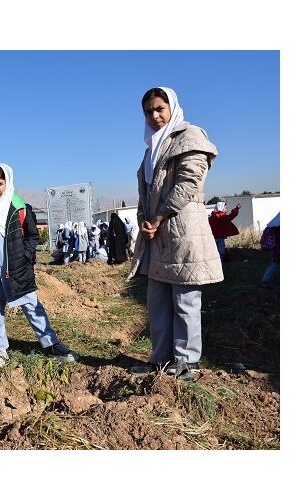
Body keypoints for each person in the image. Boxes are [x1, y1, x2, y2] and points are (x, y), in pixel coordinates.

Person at [127, 87, 222, 381]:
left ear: (172, 108)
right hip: (157, 235)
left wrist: (158, 215)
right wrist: (144, 218)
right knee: (157, 301)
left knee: (185, 299)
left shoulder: (189, 137)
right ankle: (160, 358)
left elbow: (189, 182)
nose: (154, 116)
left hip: (183, 232)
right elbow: (146, 193)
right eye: (148, 112)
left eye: (159, 109)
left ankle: (187, 360)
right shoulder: (151, 150)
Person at [0, 163, 80, 368]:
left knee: (30, 302)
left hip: (16, 262)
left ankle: (50, 343)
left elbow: (32, 236)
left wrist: (26, 257)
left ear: (8, 183)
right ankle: (0, 349)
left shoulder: (19, 207)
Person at [259, 212, 280, 289]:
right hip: (278, 248)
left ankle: (265, 280)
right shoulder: (278, 228)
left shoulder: (274, 226)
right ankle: (265, 281)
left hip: (276, 249)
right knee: (274, 264)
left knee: (274, 264)